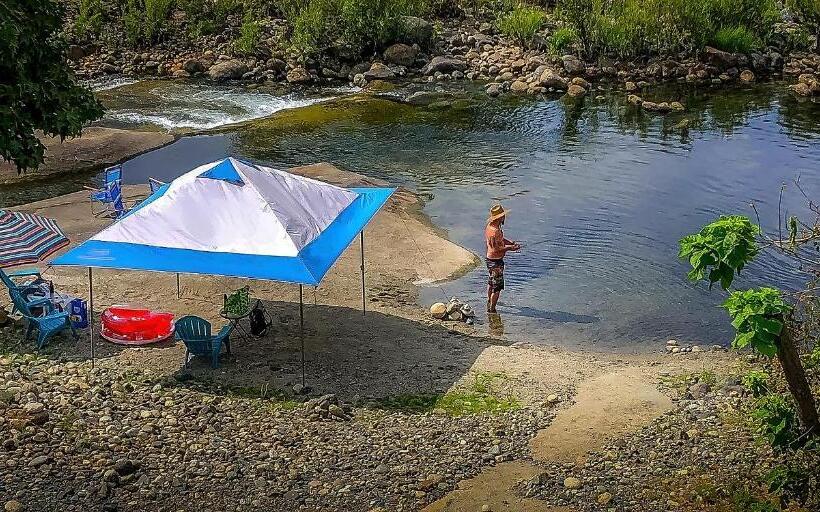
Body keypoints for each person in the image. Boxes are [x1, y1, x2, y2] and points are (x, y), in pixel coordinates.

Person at [485, 204, 520, 313]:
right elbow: (497, 248)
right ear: (499, 217)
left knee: (491, 283)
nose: (504, 217)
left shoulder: (490, 227)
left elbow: (500, 241)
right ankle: (492, 310)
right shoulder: (495, 231)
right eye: (503, 215)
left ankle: (488, 303)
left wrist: (509, 243)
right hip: (496, 262)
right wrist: (511, 248)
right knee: (497, 288)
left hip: (489, 260)